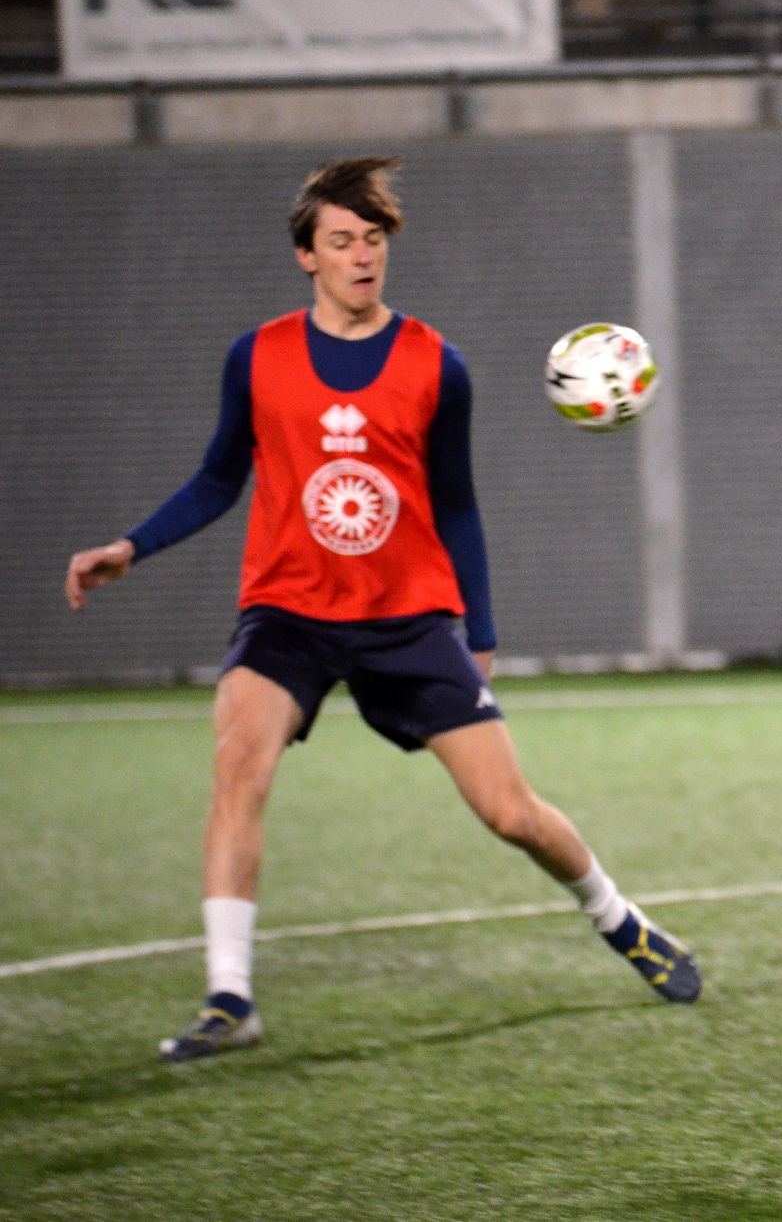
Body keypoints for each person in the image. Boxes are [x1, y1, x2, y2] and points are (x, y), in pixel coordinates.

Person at [64, 157, 700, 1062]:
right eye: (341, 242)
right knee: (239, 764)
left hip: (407, 618)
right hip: (288, 612)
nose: (362, 256)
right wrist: (131, 547)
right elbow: (218, 479)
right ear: (306, 256)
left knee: (509, 812)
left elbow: (457, 506)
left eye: (372, 240)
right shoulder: (258, 357)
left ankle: (620, 919)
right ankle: (230, 997)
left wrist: (480, 634)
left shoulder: (437, 364)